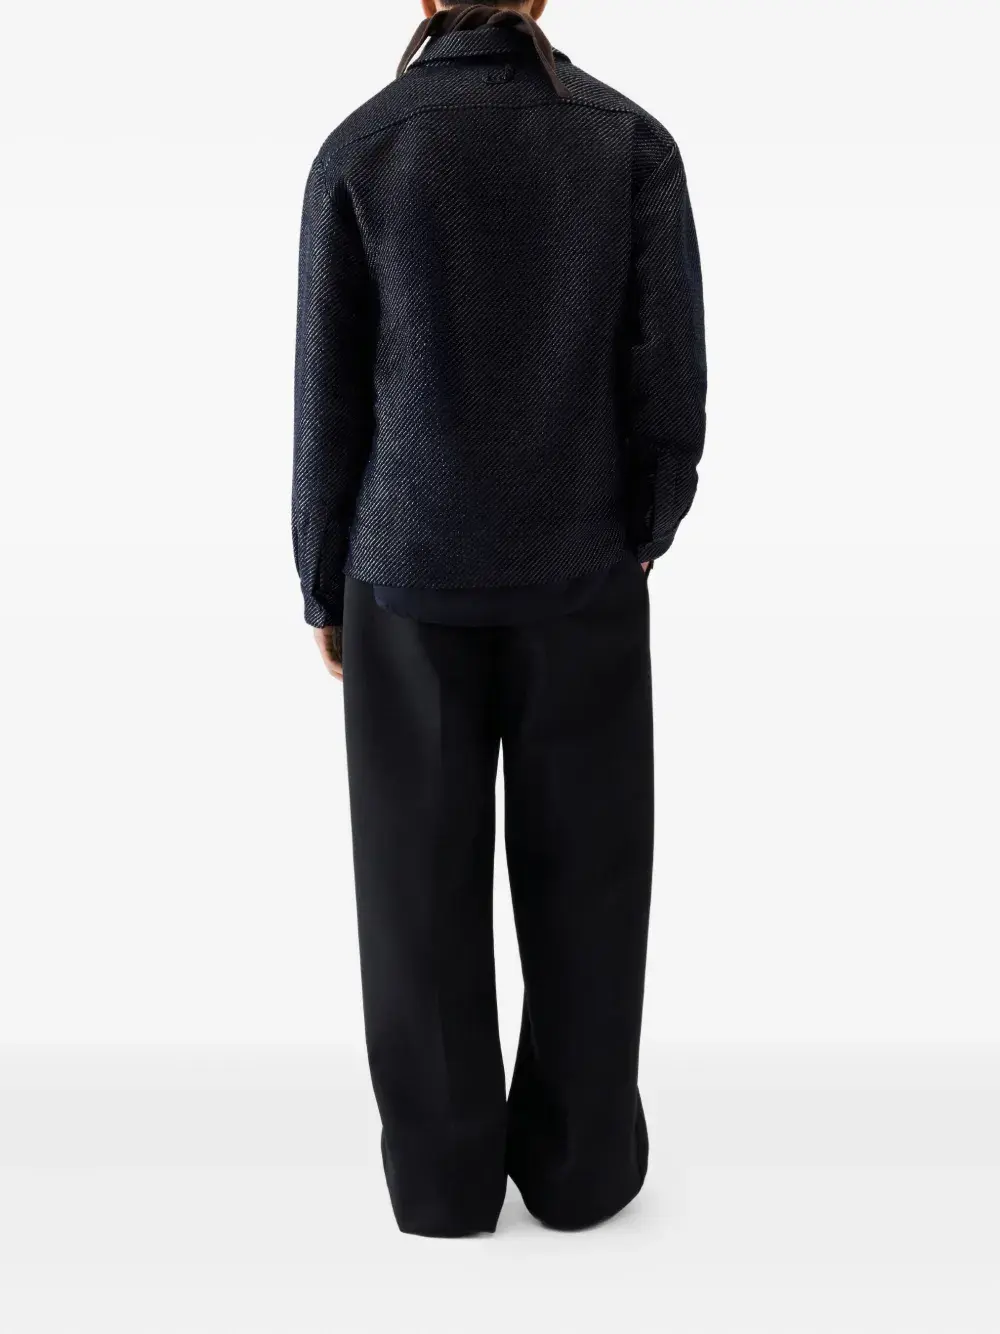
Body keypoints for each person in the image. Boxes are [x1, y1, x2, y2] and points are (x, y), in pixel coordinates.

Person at [292, 0, 706, 1237]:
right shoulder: (628, 144)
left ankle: (441, 1181)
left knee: (415, 894)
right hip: (584, 571)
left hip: (405, 576)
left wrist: (322, 580)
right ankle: (582, 1170)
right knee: (591, 881)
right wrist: (645, 525)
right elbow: (669, 380)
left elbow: (328, 399)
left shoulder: (363, 148)